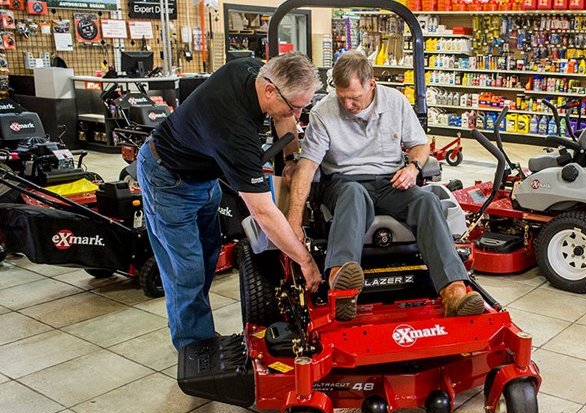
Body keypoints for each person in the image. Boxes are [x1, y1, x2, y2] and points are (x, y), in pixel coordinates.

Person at [137, 53, 323, 350]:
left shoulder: (252, 68)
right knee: (187, 271)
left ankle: (194, 327)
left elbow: (284, 117)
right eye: (296, 107)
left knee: (209, 256)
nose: (298, 116)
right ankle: (195, 348)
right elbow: (263, 212)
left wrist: (290, 158)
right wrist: (306, 260)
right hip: (167, 179)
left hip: (202, 176)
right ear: (270, 91)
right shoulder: (234, 131)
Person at [287, 50, 484, 321]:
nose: (348, 104)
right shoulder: (324, 112)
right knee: (354, 193)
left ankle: (453, 292)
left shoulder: (395, 102)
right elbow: (306, 168)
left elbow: (419, 145)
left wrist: (412, 168)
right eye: (343, 97)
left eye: (354, 97)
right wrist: (294, 222)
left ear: (372, 84)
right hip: (344, 182)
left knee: (427, 201)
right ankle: (341, 283)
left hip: (390, 181)